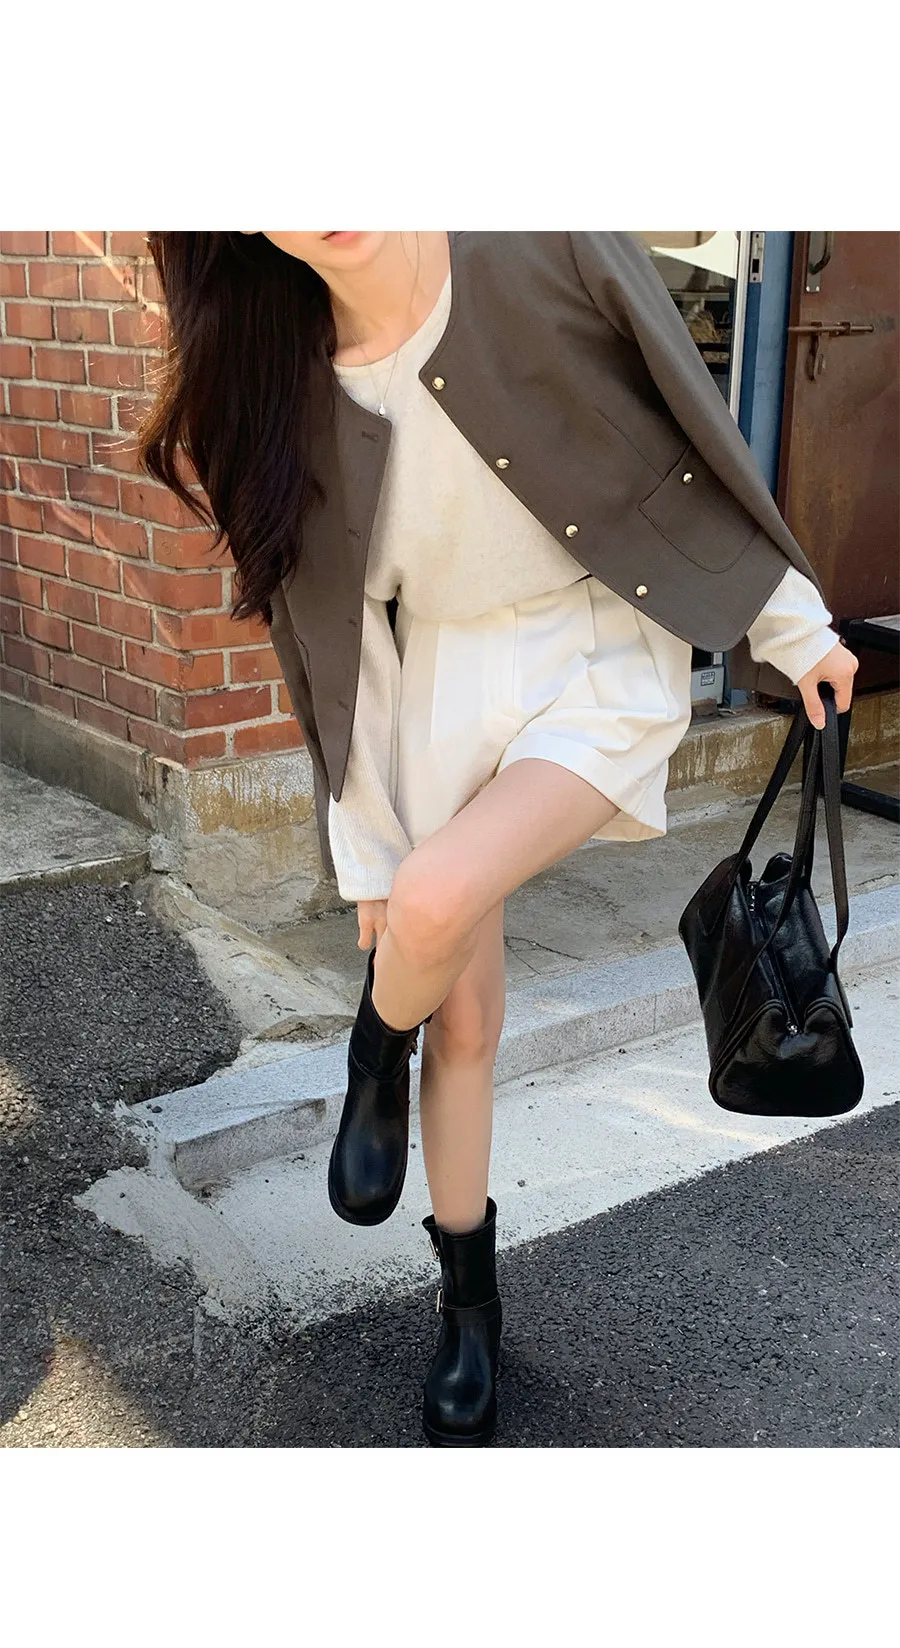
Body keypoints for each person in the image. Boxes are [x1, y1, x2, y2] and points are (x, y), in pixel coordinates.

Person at [139, 230, 858, 1447]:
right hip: (430, 685)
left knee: (432, 905)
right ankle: (468, 1308)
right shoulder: (280, 373)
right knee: (463, 1020)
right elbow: (334, 638)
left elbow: (682, 438)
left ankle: (373, 1047)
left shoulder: (532, 241)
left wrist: (795, 628)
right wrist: (367, 843)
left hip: (593, 657)